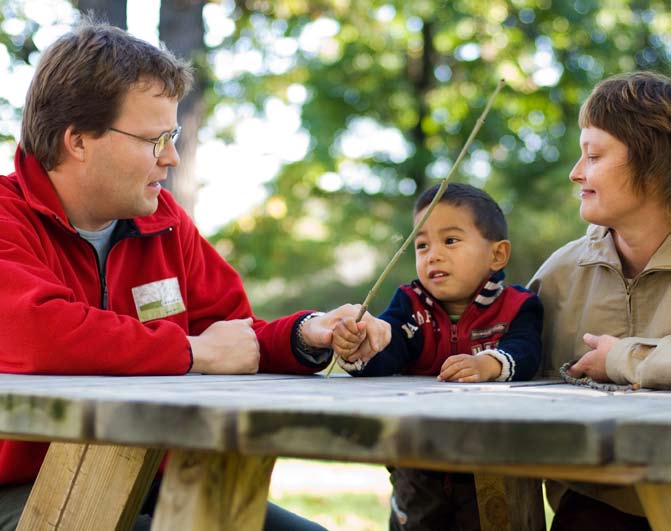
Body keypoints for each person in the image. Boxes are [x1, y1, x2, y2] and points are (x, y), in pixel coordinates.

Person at [0, 21, 388, 531]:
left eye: (174, 135)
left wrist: (305, 334)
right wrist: (192, 351)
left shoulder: (163, 222)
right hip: (18, 489)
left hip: (150, 477)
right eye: (154, 138)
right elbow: (39, 334)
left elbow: (231, 334)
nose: (172, 156)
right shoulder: (7, 217)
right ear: (78, 140)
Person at [333, 182, 543, 531]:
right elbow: (388, 352)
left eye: (450, 240)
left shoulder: (518, 306)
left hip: (494, 461)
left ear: (497, 255)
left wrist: (488, 364)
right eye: (421, 244)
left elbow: (527, 351)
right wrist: (359, 348)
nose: (433, 254)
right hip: (417, 461)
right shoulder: (410, 306)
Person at [528, 71, 671, 531]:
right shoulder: (558, 274)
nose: (576, 172)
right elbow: (492, 351)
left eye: (592, 155)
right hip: (593, 514)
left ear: (653, 161)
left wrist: (623, 358)